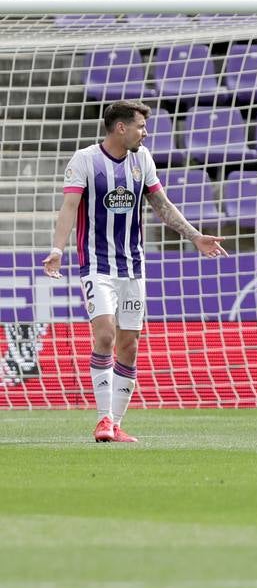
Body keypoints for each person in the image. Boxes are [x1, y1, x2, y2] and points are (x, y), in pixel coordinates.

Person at [43, 100, 229, 443]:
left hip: (133, 267)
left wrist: (195, 236)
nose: (145, 132)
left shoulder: (142, 159)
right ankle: (102, 420)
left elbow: (161, 205)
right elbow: (69, 207)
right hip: (96, 266)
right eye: (141, 126)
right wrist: (57, 250)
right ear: (120, 128)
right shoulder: (85, 160)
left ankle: (115, 423)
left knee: (129, 345)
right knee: (105, 336)